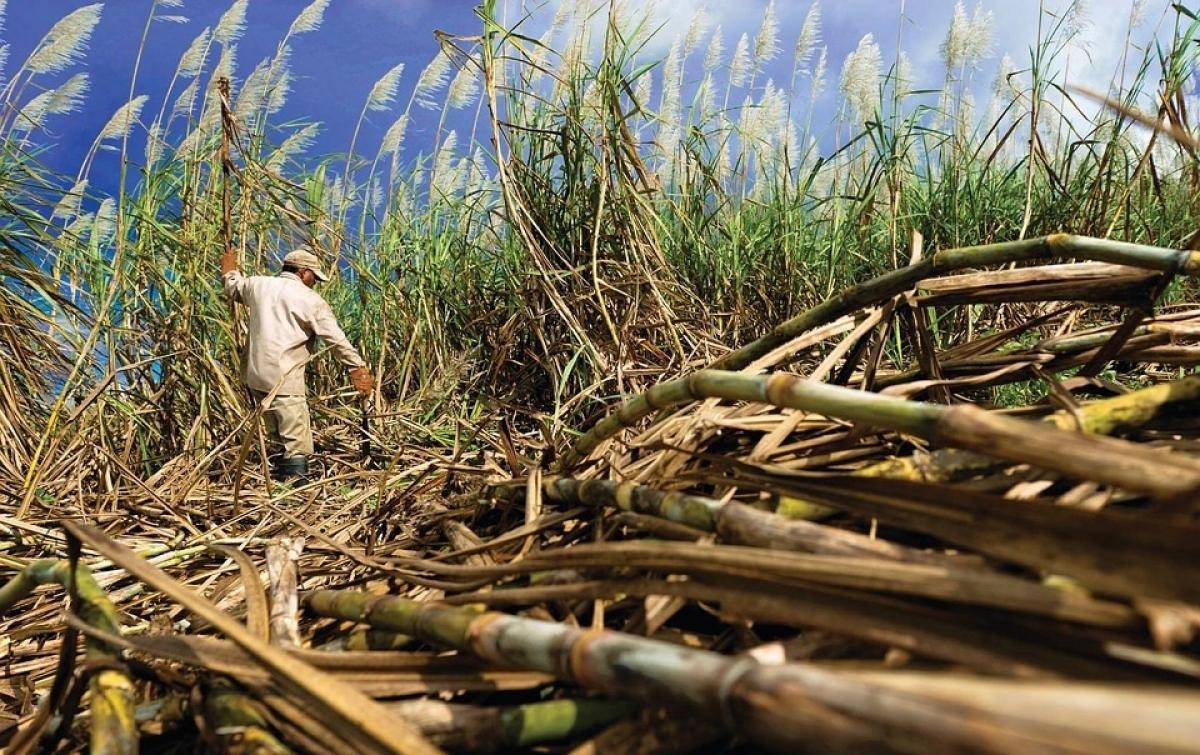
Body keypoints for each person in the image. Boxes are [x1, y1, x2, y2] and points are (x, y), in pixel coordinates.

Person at [220, 246, 373, 480]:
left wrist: (229, 270)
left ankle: (278, 482)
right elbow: (335, 339)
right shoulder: (310, 299)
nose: (315, 282)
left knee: (275, 434)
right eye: (314, 276)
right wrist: (356, 366)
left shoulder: (257, 285)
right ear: (303, 273)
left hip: (255, 375)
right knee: (296, 440)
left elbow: (234, 287)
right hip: (284, 377)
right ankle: (296, 490)